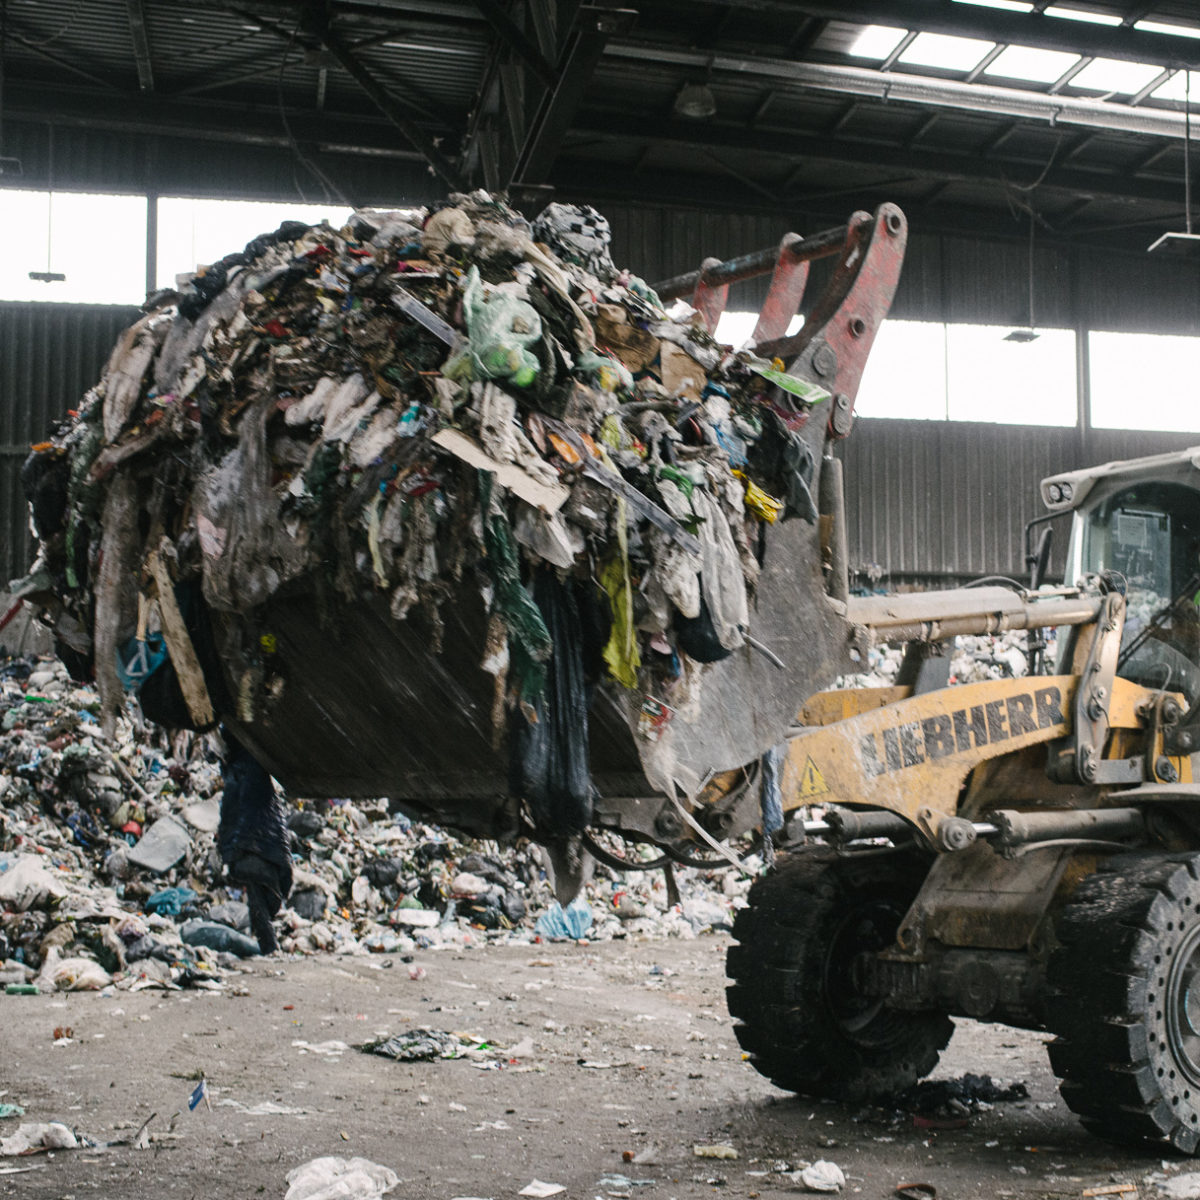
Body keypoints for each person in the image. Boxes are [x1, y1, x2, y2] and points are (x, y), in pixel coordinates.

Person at [216, 729, 292, 954]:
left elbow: (233, 815)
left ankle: (267, 944)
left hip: (251, 847)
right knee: (259, 894)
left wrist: (231, 845)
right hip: (259, 847)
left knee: (257, 895)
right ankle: (268, 945)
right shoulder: (251, 770)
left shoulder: (241, 774)